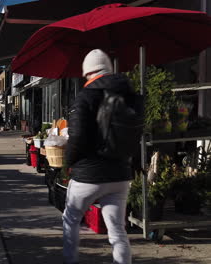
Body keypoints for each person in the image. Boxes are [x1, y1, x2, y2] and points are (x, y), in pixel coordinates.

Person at [63, 49, 135, 264]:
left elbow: (77, 137)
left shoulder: (85, 97)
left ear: (88, 72)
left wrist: (69, 163)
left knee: (71, 219)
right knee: (117, 231)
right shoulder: (128, 96)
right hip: (120, 174)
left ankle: (70, 260)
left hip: (88, 174)